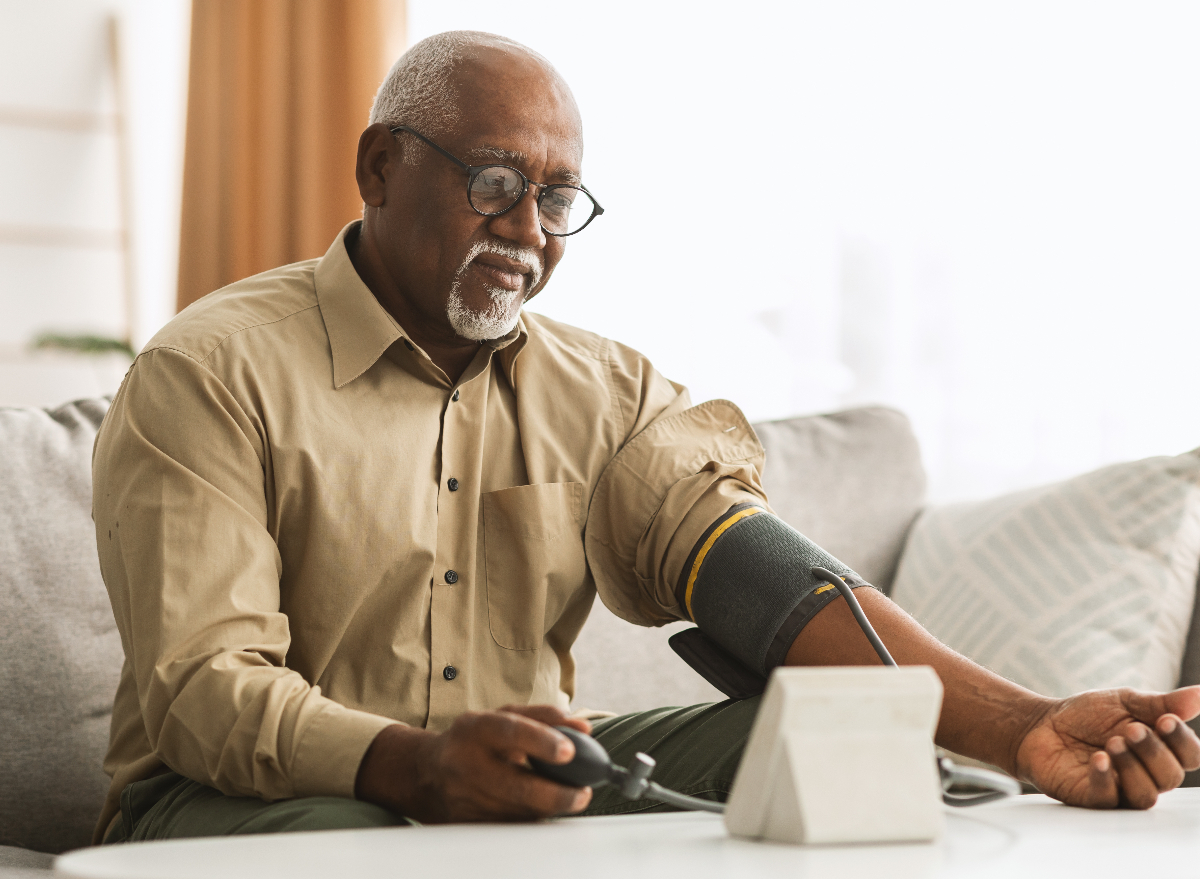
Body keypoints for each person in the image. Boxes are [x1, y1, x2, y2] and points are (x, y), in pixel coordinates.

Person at [92, 30, 1200, 843]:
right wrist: (418, 768)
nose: (527, 232)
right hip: (234, 798)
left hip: (510, 773)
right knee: (366, 839)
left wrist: (1026, 728)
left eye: (558, 197)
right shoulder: (208, 372)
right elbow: (205, 694)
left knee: (866, 762)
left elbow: (764, 586)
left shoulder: (604, 389)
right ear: (382, 168)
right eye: (492, 184)